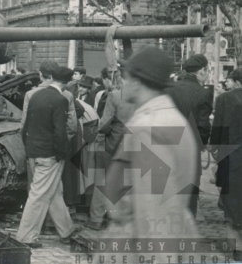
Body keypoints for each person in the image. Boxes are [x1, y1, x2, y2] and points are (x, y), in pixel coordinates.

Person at [98, 47, 200, 263]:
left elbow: (154, 210)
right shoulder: (173, 118)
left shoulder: (147, 127)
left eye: (126, 78)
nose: (122, 83)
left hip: (138, 244)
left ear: (137, 81)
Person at [17, 66, 80, 248]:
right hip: (49, 154)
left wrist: (29, 149)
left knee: (53, 191)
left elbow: (25, 126)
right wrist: (60, 154)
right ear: (67, 83)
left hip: (33, 152)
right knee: (39, 194)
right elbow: (60, 132)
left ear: (52, 78)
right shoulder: (60, 99)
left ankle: (66, 229)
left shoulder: (35, 95)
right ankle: (26, 237)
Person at [86, 69, 135, 230]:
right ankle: (121, 219)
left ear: (123, 78)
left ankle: (96, 218)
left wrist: (101, 140)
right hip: (134, 144)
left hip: (113, 143)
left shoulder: (115, 95)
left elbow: (105, 124)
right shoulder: (143, 98)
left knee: (103, 181)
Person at [165, 54, 213, 217]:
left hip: (167, 151)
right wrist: (202, 145)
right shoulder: (203, 93)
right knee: (188, 200)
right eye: (208, 71)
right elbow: (203, 127)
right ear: (201, 71)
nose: (208, 75)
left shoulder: (169, 89)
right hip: (190, 153)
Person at [210, 68, 242, 261]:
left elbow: (220, 129)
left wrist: (214, 149)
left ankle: (235, 245)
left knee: (232, 200)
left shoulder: (225, 99)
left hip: (232, 159)